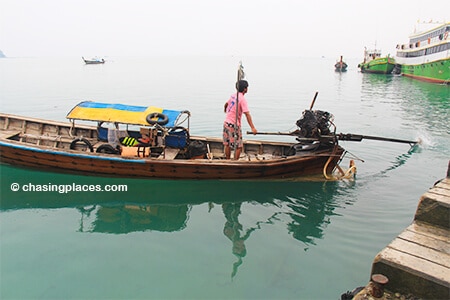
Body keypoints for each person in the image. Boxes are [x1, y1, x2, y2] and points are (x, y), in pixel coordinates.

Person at [223, 80, 257, 159]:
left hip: (226, 123)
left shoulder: (233, 96)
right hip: (234, 125)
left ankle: (227, 161)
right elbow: (247, 114)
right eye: (247, 87)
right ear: (245, 89)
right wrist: (252, 128)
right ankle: (235, 162)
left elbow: (226, 103)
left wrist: (225, 110)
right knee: (238, 146)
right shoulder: (242, 99)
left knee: (227, 144)